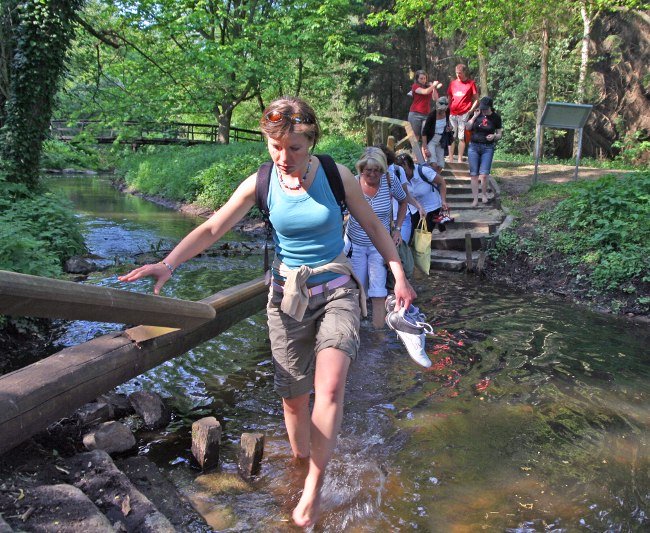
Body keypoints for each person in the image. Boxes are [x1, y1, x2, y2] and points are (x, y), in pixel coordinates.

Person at [118, 96, 416, 528]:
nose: (284, 157)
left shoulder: (337, 175)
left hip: (337, 292)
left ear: (311, 142)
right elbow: (212, 227)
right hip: (285, 299)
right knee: (293, 400)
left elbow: (372, 225)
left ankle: (313, 484)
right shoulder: (261, 182)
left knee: (328, 389)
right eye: (275, 146)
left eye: (294, 148)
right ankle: (300, 463)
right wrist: (169, 263)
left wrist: (399, 276)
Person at [346, 147, 409, 329]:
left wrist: (397, 229)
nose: (373, 175)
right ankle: (355, 333)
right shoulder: (352, 184)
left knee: (378, 292)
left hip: (379, 246)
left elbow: (403, 201)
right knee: (358, 291)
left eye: (377, 171)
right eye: (368, 170)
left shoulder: (390, 181)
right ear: (361, 169)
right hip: (355, 245)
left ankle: (378, 337)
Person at [395, 153, 448, 235]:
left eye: (404, 170)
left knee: (423, 234)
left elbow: (441, 182)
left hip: (431, 207)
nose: (403, 173)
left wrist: (443, 200)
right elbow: (405, 195)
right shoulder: (399, 176)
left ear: (410, 166)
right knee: (413, 233)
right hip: (414, 209)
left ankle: (440, 227)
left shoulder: (424, 171)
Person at [466, 96, 503, 206]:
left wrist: (494, 136)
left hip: (488, 147)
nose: (484, 111)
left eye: (486, 109)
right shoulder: (477, 115)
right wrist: (474, 117)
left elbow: (500, 134)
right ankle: (475, 199)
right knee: (473, 174)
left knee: (484, 174)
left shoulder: (496, 118)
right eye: (482, 109)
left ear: (490, 107)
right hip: (474, 146)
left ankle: (484, 194)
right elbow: (467, 128)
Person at [447, 64, 479, 163]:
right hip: (452, 113)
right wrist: (447, 109)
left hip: (464, 113)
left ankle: (460, 158)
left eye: (460, 73)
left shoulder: (471, 83)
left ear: (464, 72)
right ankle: (451, 158)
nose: (458, 75)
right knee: (451, 136)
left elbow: (476, 99)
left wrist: (470, 110)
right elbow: (449, 98)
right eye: (456, 73)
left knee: (461, 137)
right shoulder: (452, 83)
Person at [407, 70, 442, 141]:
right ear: (417, 79)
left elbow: (435, 98)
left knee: (425, 136)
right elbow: (425, 92)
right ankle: (415, 152)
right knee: (415, 136)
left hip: (426, 115)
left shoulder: (429, 87)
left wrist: (434, 88)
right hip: (415, 114)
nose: (423, 80)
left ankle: (424, 152)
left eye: (424, 78)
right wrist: (433, 85)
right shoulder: (415, 86)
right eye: (421, 78)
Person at [421, 95, 453, 172]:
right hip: (432, 140)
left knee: (440, 165)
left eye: (443, 109)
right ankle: (432, 180)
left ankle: (435, 181)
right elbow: (424, 133)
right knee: (433, 163)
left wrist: (449, 127)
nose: (442, 111)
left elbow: (448, 121)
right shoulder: (432, 116)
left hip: (441, 140)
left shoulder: (447, 111)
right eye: (440, 109)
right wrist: (426, 149)